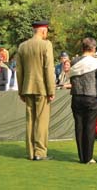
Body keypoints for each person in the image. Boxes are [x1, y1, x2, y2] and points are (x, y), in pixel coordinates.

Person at [16, 20, 56, 161]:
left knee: (30, 120)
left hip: (27, 87)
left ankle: (31, 152)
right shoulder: (46, 45)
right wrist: (51, 90)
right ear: (44, 31)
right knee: (42, 121)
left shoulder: (22, 46)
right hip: (42, 88)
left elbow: (19, 71)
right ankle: (40, 152)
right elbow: (48, 68)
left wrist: (20, 90)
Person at [69, 37, 97, 164]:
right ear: (93, 48)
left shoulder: (74, 61)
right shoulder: (96, 63)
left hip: (76, 96)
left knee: (79, 126)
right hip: (91, 96)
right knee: (90, 127)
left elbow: (71, 79)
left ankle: (81, 156)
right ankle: (89, 157)